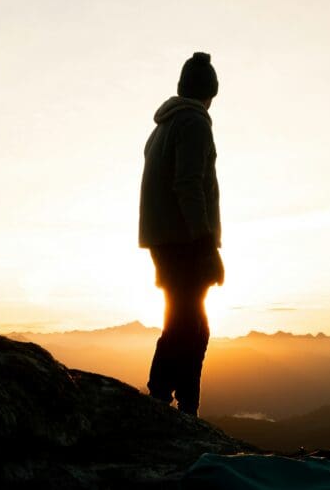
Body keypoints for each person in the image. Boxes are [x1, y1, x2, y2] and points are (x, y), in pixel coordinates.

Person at [138, 51, 224, 416]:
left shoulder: (162, 127)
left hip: (163, 238)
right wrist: (206, 243)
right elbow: (188, 184)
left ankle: (166, 398)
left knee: (182, 319)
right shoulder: (194, 124)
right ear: (210, 92)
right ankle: (179, 405)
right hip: (185, 241)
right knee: (194, 326)